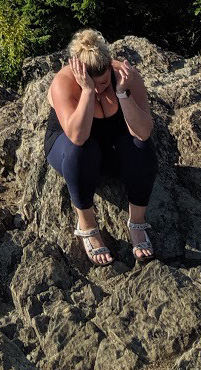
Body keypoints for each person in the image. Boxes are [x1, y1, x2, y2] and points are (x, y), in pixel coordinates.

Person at [44, 28, 157, 265]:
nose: (99, 90)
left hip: (112, 146)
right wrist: (86, 91)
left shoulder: (126, 75)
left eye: (104, 82)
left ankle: (137, 222)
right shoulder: (63, 83)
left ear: (110, 69)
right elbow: (77, 136)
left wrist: (122, 94)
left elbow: (143, 131)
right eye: (93, 84)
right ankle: (87, 224)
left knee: (142, 148)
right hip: (70, 147)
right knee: (82, 151)